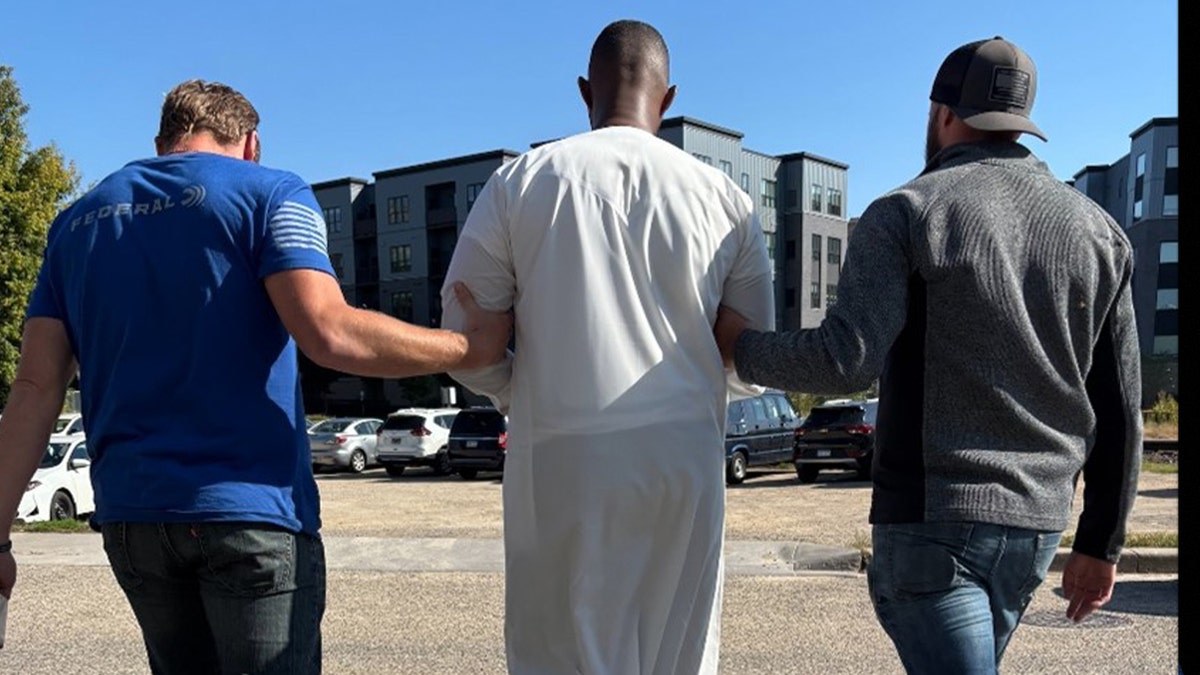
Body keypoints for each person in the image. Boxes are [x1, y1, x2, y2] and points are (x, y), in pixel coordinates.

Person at [0, 79, 510, 674]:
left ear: (162, 141)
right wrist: (465, 347)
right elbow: (328, 332)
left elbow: (35, 390)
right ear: (250, 144)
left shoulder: (76, 223)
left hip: (134, 519)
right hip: (249, 512)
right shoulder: (271, 192)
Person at [716, 35, 1143, 673]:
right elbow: (1121, 404)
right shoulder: (1099, 232)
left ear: (942, 113)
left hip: (933, 519)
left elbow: (844, 361)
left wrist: (738, 347)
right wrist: (1101, 542)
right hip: (1036, 526)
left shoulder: (907, 212)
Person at [438, 19, 775, 675]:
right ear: (668, 97)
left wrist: (520, 388)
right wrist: (697, 381)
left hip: (559, 452)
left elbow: (470, 342)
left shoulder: (519, 182)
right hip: (682, 460)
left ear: (584, 90)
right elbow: (749, 358)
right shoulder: (728, 201)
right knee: (674, 651)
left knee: (557, 649)